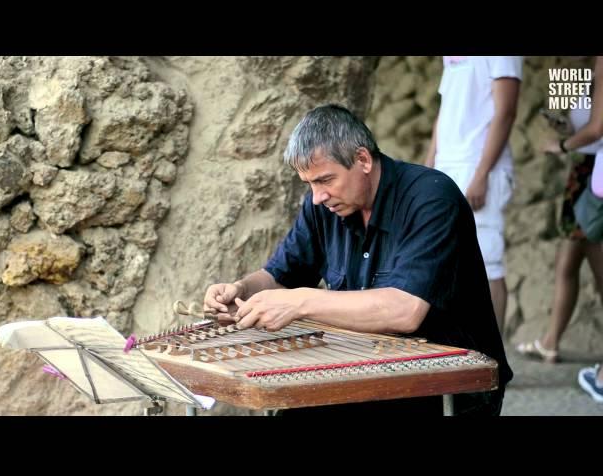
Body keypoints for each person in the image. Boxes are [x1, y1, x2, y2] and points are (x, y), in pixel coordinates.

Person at [203, 104, 513, 415]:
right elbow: (279, 276)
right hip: (366, 371)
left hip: (447, 384)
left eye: (325, 180)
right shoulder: (323, 207)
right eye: (309, 184)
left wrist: (300, 303)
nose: (317, 196)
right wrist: (242, 290)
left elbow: (405, 312)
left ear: (363, 159)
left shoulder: (432, 198)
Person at [424, 56, 523, 335]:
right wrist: (429, 168)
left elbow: (506, 112)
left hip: (478, 167)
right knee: (447, 260)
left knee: (487, 260)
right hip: (448, 166)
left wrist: (482, 174)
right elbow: (445, 111)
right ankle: (463, 356)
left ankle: (494, 364)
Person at [517, 57, 603, 366]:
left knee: (594, 269)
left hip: (595, 179)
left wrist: (562, 145)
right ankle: (550, 342)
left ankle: (552, 343)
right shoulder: (581, 71)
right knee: (567, 263)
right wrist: (562, 126)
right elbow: (583, 125)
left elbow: (596, 130)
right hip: (583, 174)